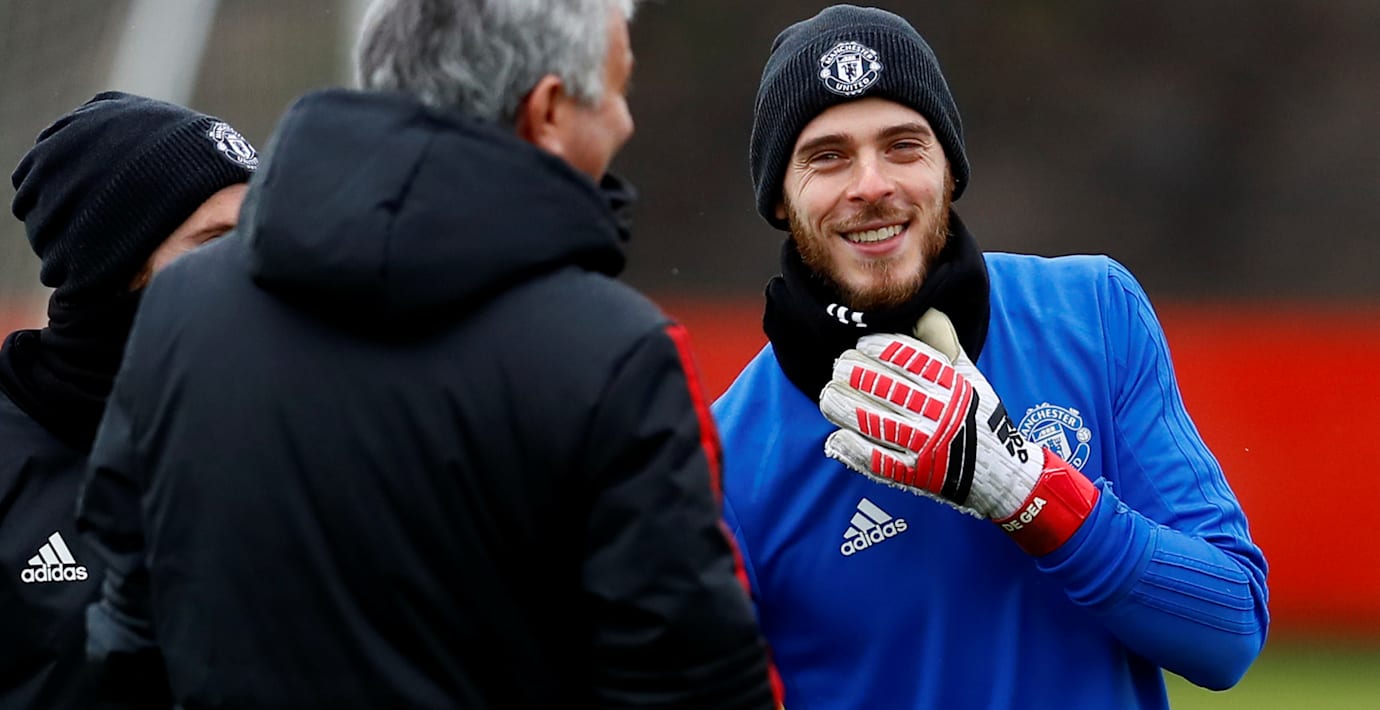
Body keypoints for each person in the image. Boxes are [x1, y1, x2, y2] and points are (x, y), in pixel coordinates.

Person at [76, 1, 780, 708]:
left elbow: (130, 630)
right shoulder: (617, 356)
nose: (625, 122)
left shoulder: (181, 306)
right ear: (547, 110)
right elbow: (692, 685)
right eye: (618, 90)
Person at [713, 5, 1269, 709]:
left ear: (949, 168)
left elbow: (1229, 632)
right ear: (780, 200)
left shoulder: (1093, 313)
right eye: (828, 156)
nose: (871, 184)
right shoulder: (725, 459)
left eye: (904, 146)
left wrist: (1031, 495)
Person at [0, 92, 257, 709]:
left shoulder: (284, 430)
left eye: (256, 236)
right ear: (114, 266)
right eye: (214, 242)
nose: (248, 268)